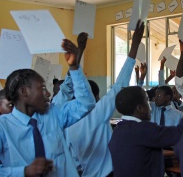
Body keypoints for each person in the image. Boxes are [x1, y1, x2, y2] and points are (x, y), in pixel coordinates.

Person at [0, 38, 96, 176]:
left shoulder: (53, 114)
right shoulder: (0, 128)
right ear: (24, 92)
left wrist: (74, 67)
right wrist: (24, 172)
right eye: (42, 88)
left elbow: (86, 103)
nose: (48, 93)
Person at [53, 20, 145, 177]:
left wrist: (79, 53)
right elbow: (119, 85)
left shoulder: (63, 118)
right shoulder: (97, 113)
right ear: (96, 97)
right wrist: (134, 45)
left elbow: (69, 85)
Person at [108, 70, 183, 177]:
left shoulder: (118, 130)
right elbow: (181, 131)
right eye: (147, 102)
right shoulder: (143, 130)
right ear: (140, 108)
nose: (151, 107)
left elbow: (141, 159)